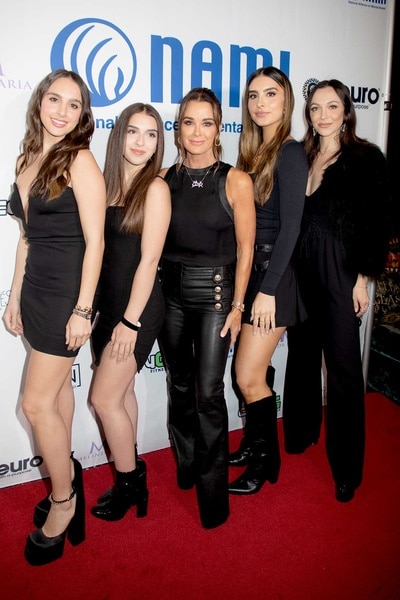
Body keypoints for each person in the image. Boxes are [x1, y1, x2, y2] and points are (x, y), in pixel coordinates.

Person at [3, 69, 106, 565]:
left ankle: (64, 503)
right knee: (58, 395)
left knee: (35, 405)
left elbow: (96, 242)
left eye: (73, 104)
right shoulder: (27, 158)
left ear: (83, 114)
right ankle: (69, 476)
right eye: (54, 99)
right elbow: (26, 237)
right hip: (37, 292)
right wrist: (14, 296)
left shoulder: (80, 160)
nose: (62, 111)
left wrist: (84, 310)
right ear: (40, 102)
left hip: (69, 294)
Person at [282, 79, 390, 502]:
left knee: (343, 372)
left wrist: (362, 279)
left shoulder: (365, 158)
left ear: (347, 110)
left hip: (340, 269)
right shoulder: (303, 155)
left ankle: (347, 468)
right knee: (303, 355)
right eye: (315, 108)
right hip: (301, 267)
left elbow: (376, 224)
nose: (323, 115)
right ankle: (302, 431)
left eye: (332, 107)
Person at [158, 87, 255, 529]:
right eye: (189, 122)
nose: (197, 132)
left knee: (208, 395)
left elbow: (246, 248)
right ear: (178, 130)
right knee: (178, 386)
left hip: (216, 297)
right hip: (170, 295)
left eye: (207, 122)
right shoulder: (163, 178)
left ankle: (214, 500)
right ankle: (186, 466)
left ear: (219, 129)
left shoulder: (235, 180)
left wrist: (238, 306)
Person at [227, 67, 308, 495]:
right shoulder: (253, 154)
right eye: (254, 96)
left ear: (286, 101)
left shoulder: (290, 153)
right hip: (255, 273)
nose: (260, 103)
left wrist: (268, 291)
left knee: (247, 376)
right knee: (252, 373)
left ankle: (264, 462)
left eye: (270, 94)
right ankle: (255, 446)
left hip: (275, 279)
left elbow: (291, 228)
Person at [89, 103, 171, 521]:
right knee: (121, 395)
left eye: (151, 134)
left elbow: (149, 261)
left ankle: (129, 485)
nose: (141, 142)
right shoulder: (105, 184)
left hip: (137, 310)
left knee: (103, 399)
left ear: (159, 142)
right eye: (133, 132)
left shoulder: (154, 189)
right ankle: (132, 472)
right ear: (118, 135)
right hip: (108, 307)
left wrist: (129, 322)